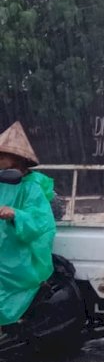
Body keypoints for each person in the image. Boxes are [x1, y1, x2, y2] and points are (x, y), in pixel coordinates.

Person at [0, 121, 56, 327]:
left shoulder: (32, 187)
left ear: (17, 161)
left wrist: (15, 214)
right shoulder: (2, 181)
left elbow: (40, 222)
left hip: (22, 252)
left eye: (2, 156)